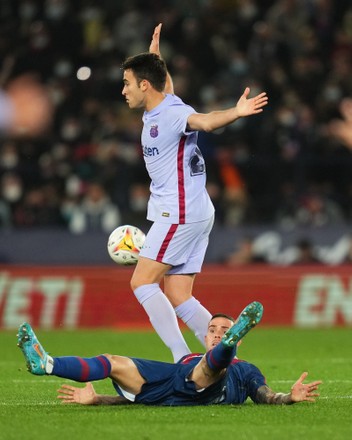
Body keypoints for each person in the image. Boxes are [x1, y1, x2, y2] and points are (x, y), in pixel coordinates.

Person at [122, 24, 269, 361]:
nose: (123, 90)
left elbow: (204, 121)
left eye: (128, 83)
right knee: (177, 292)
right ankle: (226, 352)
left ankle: (181, 357)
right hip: (196, 210)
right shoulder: (163, 104)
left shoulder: (173, 114)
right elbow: (165, 86)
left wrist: (235, 113)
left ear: (144, 85)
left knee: (142, 283)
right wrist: (155, 58)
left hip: (179, 211)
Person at [17, 301, 322, 406]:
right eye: (214, 330)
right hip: (171, 382)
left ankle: (228, 347)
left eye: (224, 331)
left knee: (209, 370)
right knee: (112, 362)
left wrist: (286, 398)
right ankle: (47, 363)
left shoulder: (246, 370)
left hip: (209, 388)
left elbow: (263, 394)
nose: (215, 333)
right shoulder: (188, 357)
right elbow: (147, 403)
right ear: (206, 335)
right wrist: (99, 399)